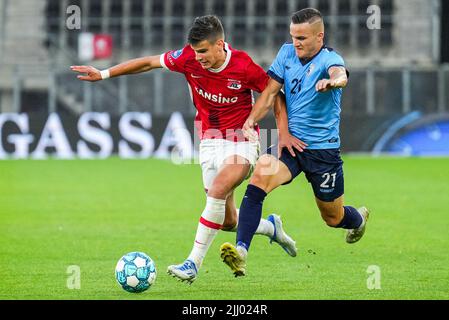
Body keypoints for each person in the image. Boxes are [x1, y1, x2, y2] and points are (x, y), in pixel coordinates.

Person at [71, 15, 303, 284]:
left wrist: (283, 131)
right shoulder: (187, 58)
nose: (199, 57)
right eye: (195, 51)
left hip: (242, 141)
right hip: (207, 140)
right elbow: (148, 62)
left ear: (220, 44)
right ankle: (270, 227)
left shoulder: (243, 66)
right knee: (227, 221)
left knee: (217, 191)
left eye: (204, 51)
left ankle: (193, 263)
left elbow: (274, 94)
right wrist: (103, 73)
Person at [220, 8, 370, 277]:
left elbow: (341, 75)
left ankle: (357, 219)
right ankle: (241, 252)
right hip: (289, 146)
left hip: (323, 151)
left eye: (301, 37)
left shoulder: (330, 59)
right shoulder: (286, 53)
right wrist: (251, 120)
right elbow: (270, 93)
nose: (296, 42)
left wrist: (332, 82)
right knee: (258, 181)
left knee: (332, 217)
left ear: (319, 36)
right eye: (293, 36)